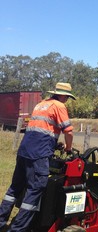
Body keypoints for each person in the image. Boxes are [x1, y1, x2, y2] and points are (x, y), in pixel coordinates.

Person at [0, 82, 76, 232]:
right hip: (39, 154)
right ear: (62, 95)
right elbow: (68, 131)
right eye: (67, 96)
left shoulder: (41, 104)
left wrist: (54, 144)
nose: (67, 99)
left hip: (25, 150)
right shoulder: (59, 106)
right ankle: (18, 229)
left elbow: (40, 131)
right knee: (35, 189)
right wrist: (68, 148)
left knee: (15, 188)